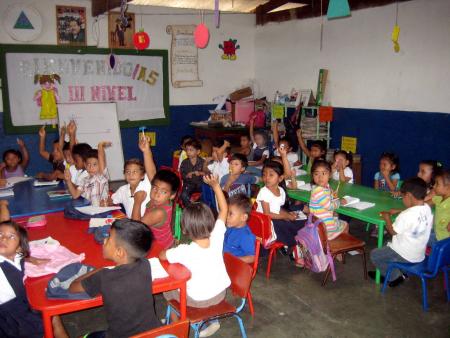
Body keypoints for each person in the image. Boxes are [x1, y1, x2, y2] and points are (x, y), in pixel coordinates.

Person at [160, 175, 230, 337]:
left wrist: (164, 250)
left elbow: (163, 256)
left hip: (198, 300)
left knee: (168, 290)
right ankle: (211, 320)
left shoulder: (183, 250)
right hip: (220, 295)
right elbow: (224, 209)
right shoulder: (217, 236)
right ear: (211, 222)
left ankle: (177, 324)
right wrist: (216, 186)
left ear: (184, 230)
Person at [69, 219, 160, 337]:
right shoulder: (145, 264)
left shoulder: (103, 277)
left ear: (119, 252)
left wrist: (98, 270)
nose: (104, 240)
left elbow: (73, 287)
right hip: (153, 334)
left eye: (108, 238)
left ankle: (58, 329)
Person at [0, 212, 68, 338]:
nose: (3, 238)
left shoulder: (17, 255)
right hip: (9, 317)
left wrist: (32, 259)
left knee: (53, 314)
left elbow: (22, 256)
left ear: (19, 249)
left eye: (11, 237)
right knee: (41, 325)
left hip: (25, 302)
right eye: (0, 235)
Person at [370, 177, 433, 287]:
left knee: (375, 254)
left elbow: (393, 232)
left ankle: (394, 277)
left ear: (408, 196)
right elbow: (415, 212)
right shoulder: (427, 208)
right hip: (419, 254)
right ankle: (397, 271)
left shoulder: (405, 216)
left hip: (405, 255)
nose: (402, 199)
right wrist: (400, 210)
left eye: (402, 196)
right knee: (387, 244)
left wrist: (387, 218)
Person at [256, 160, 305, 249]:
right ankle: (293, 245)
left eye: (271, 175)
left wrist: (288, 215)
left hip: (275, 217)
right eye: (264, 174)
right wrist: (286, 216)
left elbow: (279, 209)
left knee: (298, 219)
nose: (266, 177)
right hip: (265, 223)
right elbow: (267, 214)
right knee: (285, 224)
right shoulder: (264, 192)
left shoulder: (281, 190)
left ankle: (295, 240)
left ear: (280, 178)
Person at [111, 136, 156, 218]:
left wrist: (146, 151)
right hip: (131, 224)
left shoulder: (148, 184)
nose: (131, 174)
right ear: (124, 175)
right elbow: (112, 200)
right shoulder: (123, 189)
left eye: (135, 172)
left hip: (146, 225)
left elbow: (151, 171)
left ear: (142, 176)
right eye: (128, 172)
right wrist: (106, 202)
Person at [135, 169, 180, 250]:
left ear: (172, 195)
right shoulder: (161, 201)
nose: (156, 194)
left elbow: (135, 227)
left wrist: (137, 202)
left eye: (163, 192)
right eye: (155, 188)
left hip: (160, 249)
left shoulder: (159, 212)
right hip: (165, 242)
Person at [309, 159, 348, 240]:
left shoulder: (324, 187)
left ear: (329, 175)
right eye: (316, 174)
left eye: (324, 173)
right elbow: (329, 206)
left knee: (336, 217)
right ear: (312, 175)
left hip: (319, 223)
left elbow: (327, 197)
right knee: (345, 225)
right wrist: (340, 202)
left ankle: (335, 245)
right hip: (325, 227)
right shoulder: (319, 190)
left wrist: (332, 195)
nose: (320, 177)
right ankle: (339, 248)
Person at [224, 194, 256, 263]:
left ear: (243, 217)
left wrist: (232, 260)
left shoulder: (246, 236)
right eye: (226, 213)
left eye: (230, 214)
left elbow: (252, 258)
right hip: (224, 258)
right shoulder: (231, 226)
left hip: (233, 265)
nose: (226, 217)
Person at [179, 139, 206, 207]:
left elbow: (208, 173)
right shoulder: (184, 163)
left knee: (207, 192)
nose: (188, 152)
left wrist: (201, 173)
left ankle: (197, 205)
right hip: (189, 184)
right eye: (187, 150)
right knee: (183, 195)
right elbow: (182, 174)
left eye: (191, 150)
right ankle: (190, 209)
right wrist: (187, 175)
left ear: (198, 152)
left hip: (200, 184)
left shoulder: (203, 162)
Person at [427, 169, 450, 245]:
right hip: (436, 233)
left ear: (448, 187)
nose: (433, 186)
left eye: (437, 184)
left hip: (444, 241)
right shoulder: (438, 197)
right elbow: (423, 204)